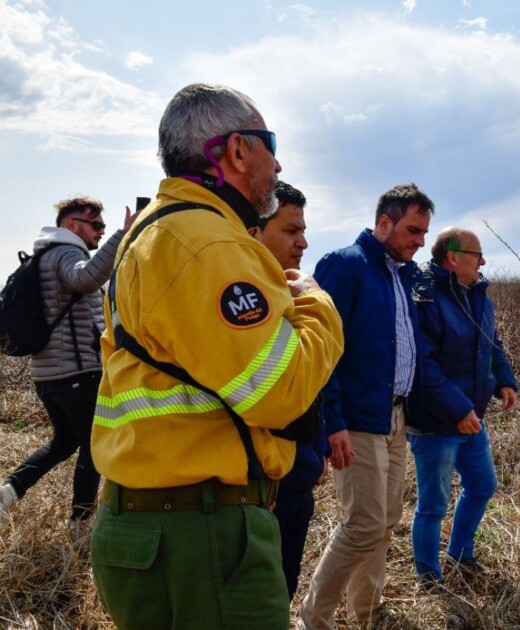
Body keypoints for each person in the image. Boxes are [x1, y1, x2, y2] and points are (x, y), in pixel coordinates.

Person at [89, 83, 344, 628]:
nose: (277, 163)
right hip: (200, 536)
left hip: (150, 527)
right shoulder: (207, 245)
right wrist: (318, 305)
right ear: (236, 152)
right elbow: (279, 392)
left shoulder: (156, 233)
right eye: (270, 144)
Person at [298, 183, 434, 629]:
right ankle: (313, 620)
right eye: (413, 229)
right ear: (384, 223)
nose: (420, 240)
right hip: (355, 418)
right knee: (362, 524)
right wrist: (331, 419)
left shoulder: (401, 275)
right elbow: (323, 349)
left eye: (424, 232)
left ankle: (368, 612)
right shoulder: (346, 265)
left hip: (393, 415)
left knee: (386, 520)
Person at [0, 198, 139, 535]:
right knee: (95, 445)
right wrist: (122, 235)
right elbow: (86, 279)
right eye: (96, 226)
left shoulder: (43, 255)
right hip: (77, 372)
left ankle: (8, 492)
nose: (101, 231)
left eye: (104, 227)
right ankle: (81, 522)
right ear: (73, 226)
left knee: (64, 442)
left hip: (47, 374)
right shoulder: (65, 252)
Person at [408, 227, 517, 590]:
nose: (483, 261)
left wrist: (504, 381)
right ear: (453, 257)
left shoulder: (480, 298)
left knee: (483, 485)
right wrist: (457, 410)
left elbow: (492, 344)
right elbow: (425, 365)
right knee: (433, 505)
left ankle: (461, 554)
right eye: (477, 254)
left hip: (472, 418)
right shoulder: (425, 298)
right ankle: (428, 577)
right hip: (436, 423)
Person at [248, 180, 327, 597]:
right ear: (254, 232)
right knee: (259, 599)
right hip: (264, 490)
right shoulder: (245, 302)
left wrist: (317, 448)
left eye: (303, 230)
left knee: (283, 591)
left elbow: (309, 381)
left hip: (296, 479)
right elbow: (260, 396)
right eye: (290, 231)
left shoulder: (286, 291)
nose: (303, 242)